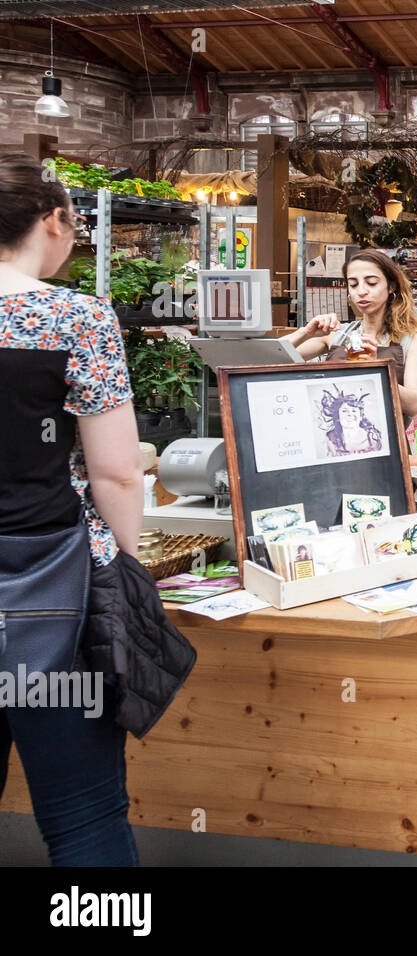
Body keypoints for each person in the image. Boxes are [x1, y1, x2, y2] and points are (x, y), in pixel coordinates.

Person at [0, 153, 142, 864]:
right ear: (54, 221)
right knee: (84, 817)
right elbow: (117, 473)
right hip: (50, 599)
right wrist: (130, 572)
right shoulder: (75, 318)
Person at [282, 249, 417, 419]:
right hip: (334, 439)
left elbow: (414, 405)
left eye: (371, 283)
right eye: (353, 284)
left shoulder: (413, 338)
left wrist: (378, 368)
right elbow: (267, 358)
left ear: (391, 286)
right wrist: (305, 332)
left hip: (387, 440)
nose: (361, 291)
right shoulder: (337, 334)